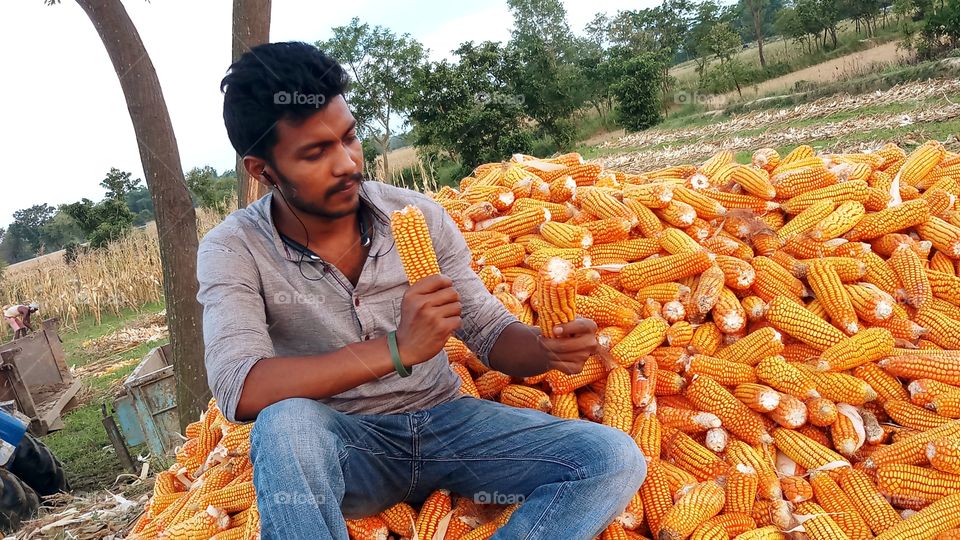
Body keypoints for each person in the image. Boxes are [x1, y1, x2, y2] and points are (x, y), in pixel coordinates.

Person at [200, 41, 645, 540]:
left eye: (349, 138)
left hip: (447, 424)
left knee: (611, 459)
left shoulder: (417, 216)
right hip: (346, 446)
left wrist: (544, 348)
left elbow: (489, 331)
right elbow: (241, 388)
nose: (347, 164)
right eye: (316, 153)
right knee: (286, 426)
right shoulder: (233, 249)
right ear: (263, 171)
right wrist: (395, 350)